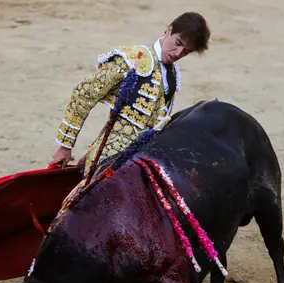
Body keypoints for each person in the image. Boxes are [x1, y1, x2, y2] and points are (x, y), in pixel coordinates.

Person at [48, 12, 211, 174]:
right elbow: (83, 94)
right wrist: (65, 146)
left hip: (143, 162)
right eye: (178, 43)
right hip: (108, 160)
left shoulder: (172, 74)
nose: (178, 53)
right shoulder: (133, 59)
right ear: (169, 30)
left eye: (186, 51)